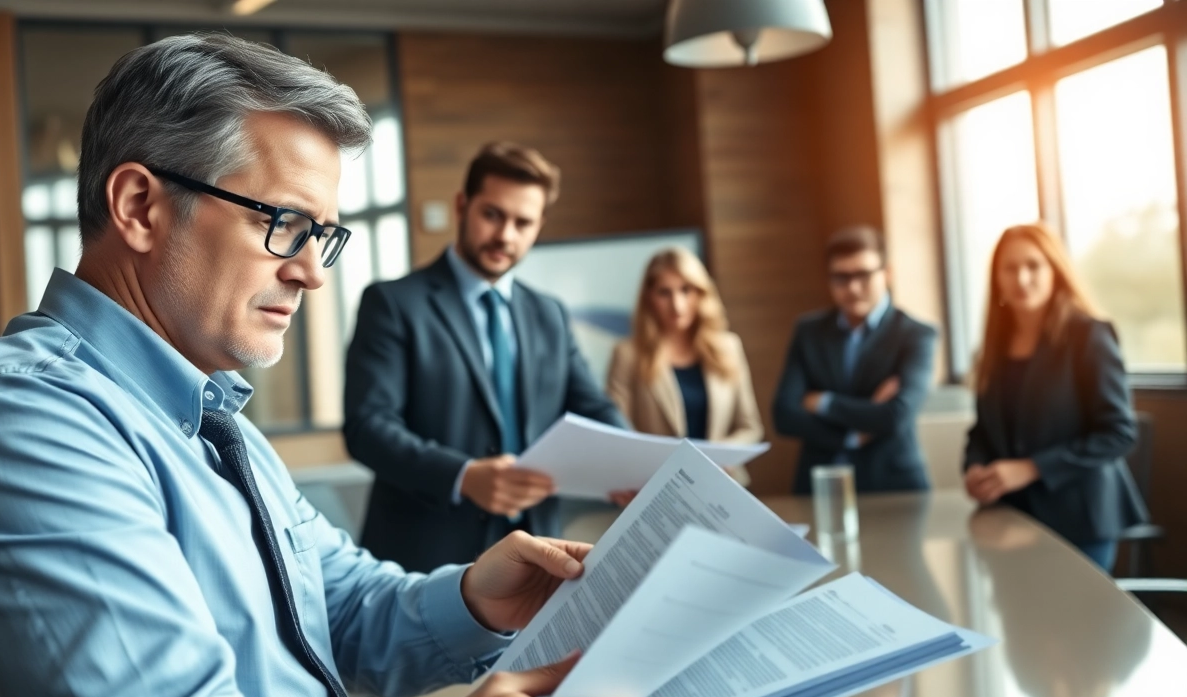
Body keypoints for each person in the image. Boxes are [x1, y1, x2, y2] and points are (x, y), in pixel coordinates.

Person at [0, 34, 650, 697]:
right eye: (285, 223)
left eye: (323, 236)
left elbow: (335, 609)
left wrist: (479, 600)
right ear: (139, 206)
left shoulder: (209, 419)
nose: (310, 272)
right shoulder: (20, 429)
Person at [344, 142, 628, 573]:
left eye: (523, 222)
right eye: (492, 215)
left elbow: (594, 407)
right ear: (462, 205)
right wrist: (463, 476)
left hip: (537, 552)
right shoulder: (393, 303)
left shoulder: (548, 314)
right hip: (425, 558)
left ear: (539, 225)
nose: (505, 236)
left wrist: (636, 466)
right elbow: (368, 428)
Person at [963, 223, 1146, 572]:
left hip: (1079, 518)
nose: (1022, 278)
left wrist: (1031, 468)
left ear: (1055, 272)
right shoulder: (992, 348)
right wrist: (975, 467)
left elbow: (1119, 433)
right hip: (1011, 517)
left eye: (1033, 265)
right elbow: (984, 429)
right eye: (1010, 268)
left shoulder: (1089, 335)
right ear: (996, 278)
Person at [772, 225, 938, 494]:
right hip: (819, 483)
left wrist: (824, 402)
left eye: (863, 275)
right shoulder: (809, 331)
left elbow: (896, 415)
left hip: (893, 485)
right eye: (841, 277)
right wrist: (852, 435)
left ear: (887, 273)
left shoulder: (916, 334)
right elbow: (784, 415)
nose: (852, 287)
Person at [606, 246, 763, 486]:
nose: (677, 305)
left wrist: (716, 456)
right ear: (648, 297)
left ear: (701, 294)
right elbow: (618, 433)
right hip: (656, 485)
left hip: (722, 481)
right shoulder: (628, 354)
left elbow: (750, 427)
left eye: (686, 290)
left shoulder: (728, 347)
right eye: (664, 293)